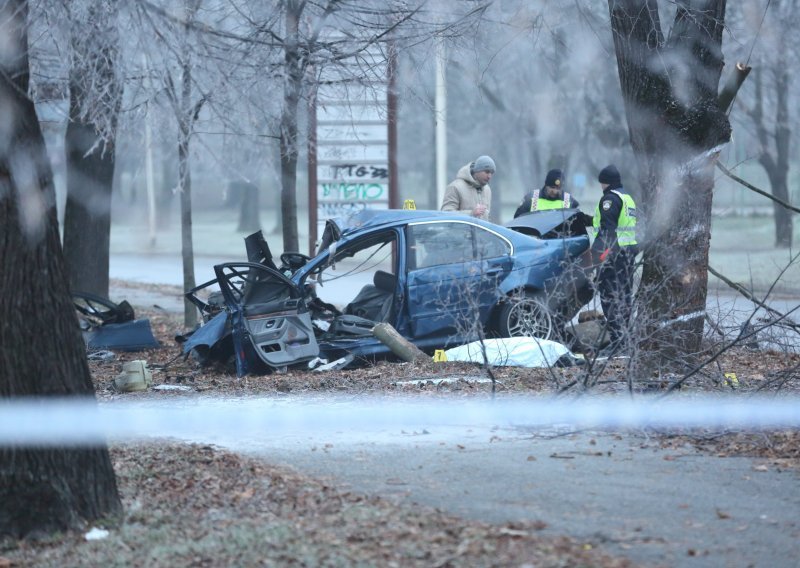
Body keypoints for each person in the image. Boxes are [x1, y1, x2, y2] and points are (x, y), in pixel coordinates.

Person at [591, 164, 638, 357]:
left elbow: (607, 232)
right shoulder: (627, 198)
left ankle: (617, 343)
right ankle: (625, 341)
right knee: (624, 297)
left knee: (610, 298)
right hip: (627, 254)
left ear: (604, 182)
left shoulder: (609, 199)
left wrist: (596, 258)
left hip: (613, 256)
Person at [440, 155, 494, 220]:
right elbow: (446, 215)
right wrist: (471, 214)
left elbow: (487, 217)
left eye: (492, 173)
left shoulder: (487, 190)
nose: (489, 176)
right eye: (487, 172)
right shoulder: (455, 187)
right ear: (477, 170)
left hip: (481, 230)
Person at [513, 168, 580, 218]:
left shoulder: (570, 201)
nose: (554, 191)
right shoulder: (531, 199)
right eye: (552, 187)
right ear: (546, 185)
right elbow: (517, 221)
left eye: (558, 188)